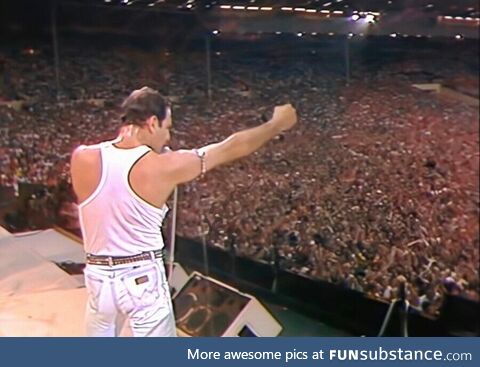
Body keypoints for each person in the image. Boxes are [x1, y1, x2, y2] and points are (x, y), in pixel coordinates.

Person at [70, 86, 297, 337]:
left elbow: (112, 191)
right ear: (152, 122)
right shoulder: (163, 166)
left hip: (98, 278)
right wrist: (276, 124)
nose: (168, 137)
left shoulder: (82, 157)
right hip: (140, 281)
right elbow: (230, 147)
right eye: (168, 128)